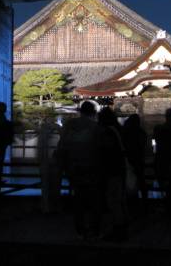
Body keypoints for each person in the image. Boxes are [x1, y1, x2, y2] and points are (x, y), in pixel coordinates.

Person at [55, 101, 104, 241]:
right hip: (92, 168)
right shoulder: (96, 128)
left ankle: (80, 229)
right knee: (94, 199)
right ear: (93, 112)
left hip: (73, 167)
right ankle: (94, 229)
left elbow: (62, 145)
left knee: (79, 199)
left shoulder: (70, 126)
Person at [97, 107, 129, 241]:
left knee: (112, 200)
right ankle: (120, 227)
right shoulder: (119, 130)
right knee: (117, 200)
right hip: (119, 168)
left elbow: (107, 152)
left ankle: (117, 229)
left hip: (111, 170)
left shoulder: (108, 132)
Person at [121, 114, 148, 212]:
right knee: (140, 181)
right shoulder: (140, 132)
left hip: (128, 161)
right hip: (138, 160)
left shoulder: (125, 132)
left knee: (130, 183)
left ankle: (131, 204)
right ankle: (143, 203)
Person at [38, 116, 62, 214]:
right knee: (55, 185)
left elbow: (39, 148)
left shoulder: (42, 132)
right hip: (55, 161)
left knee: (46, 185)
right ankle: (54, 206)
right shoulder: (58, 130)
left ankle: (46, 206)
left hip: (46, 161)